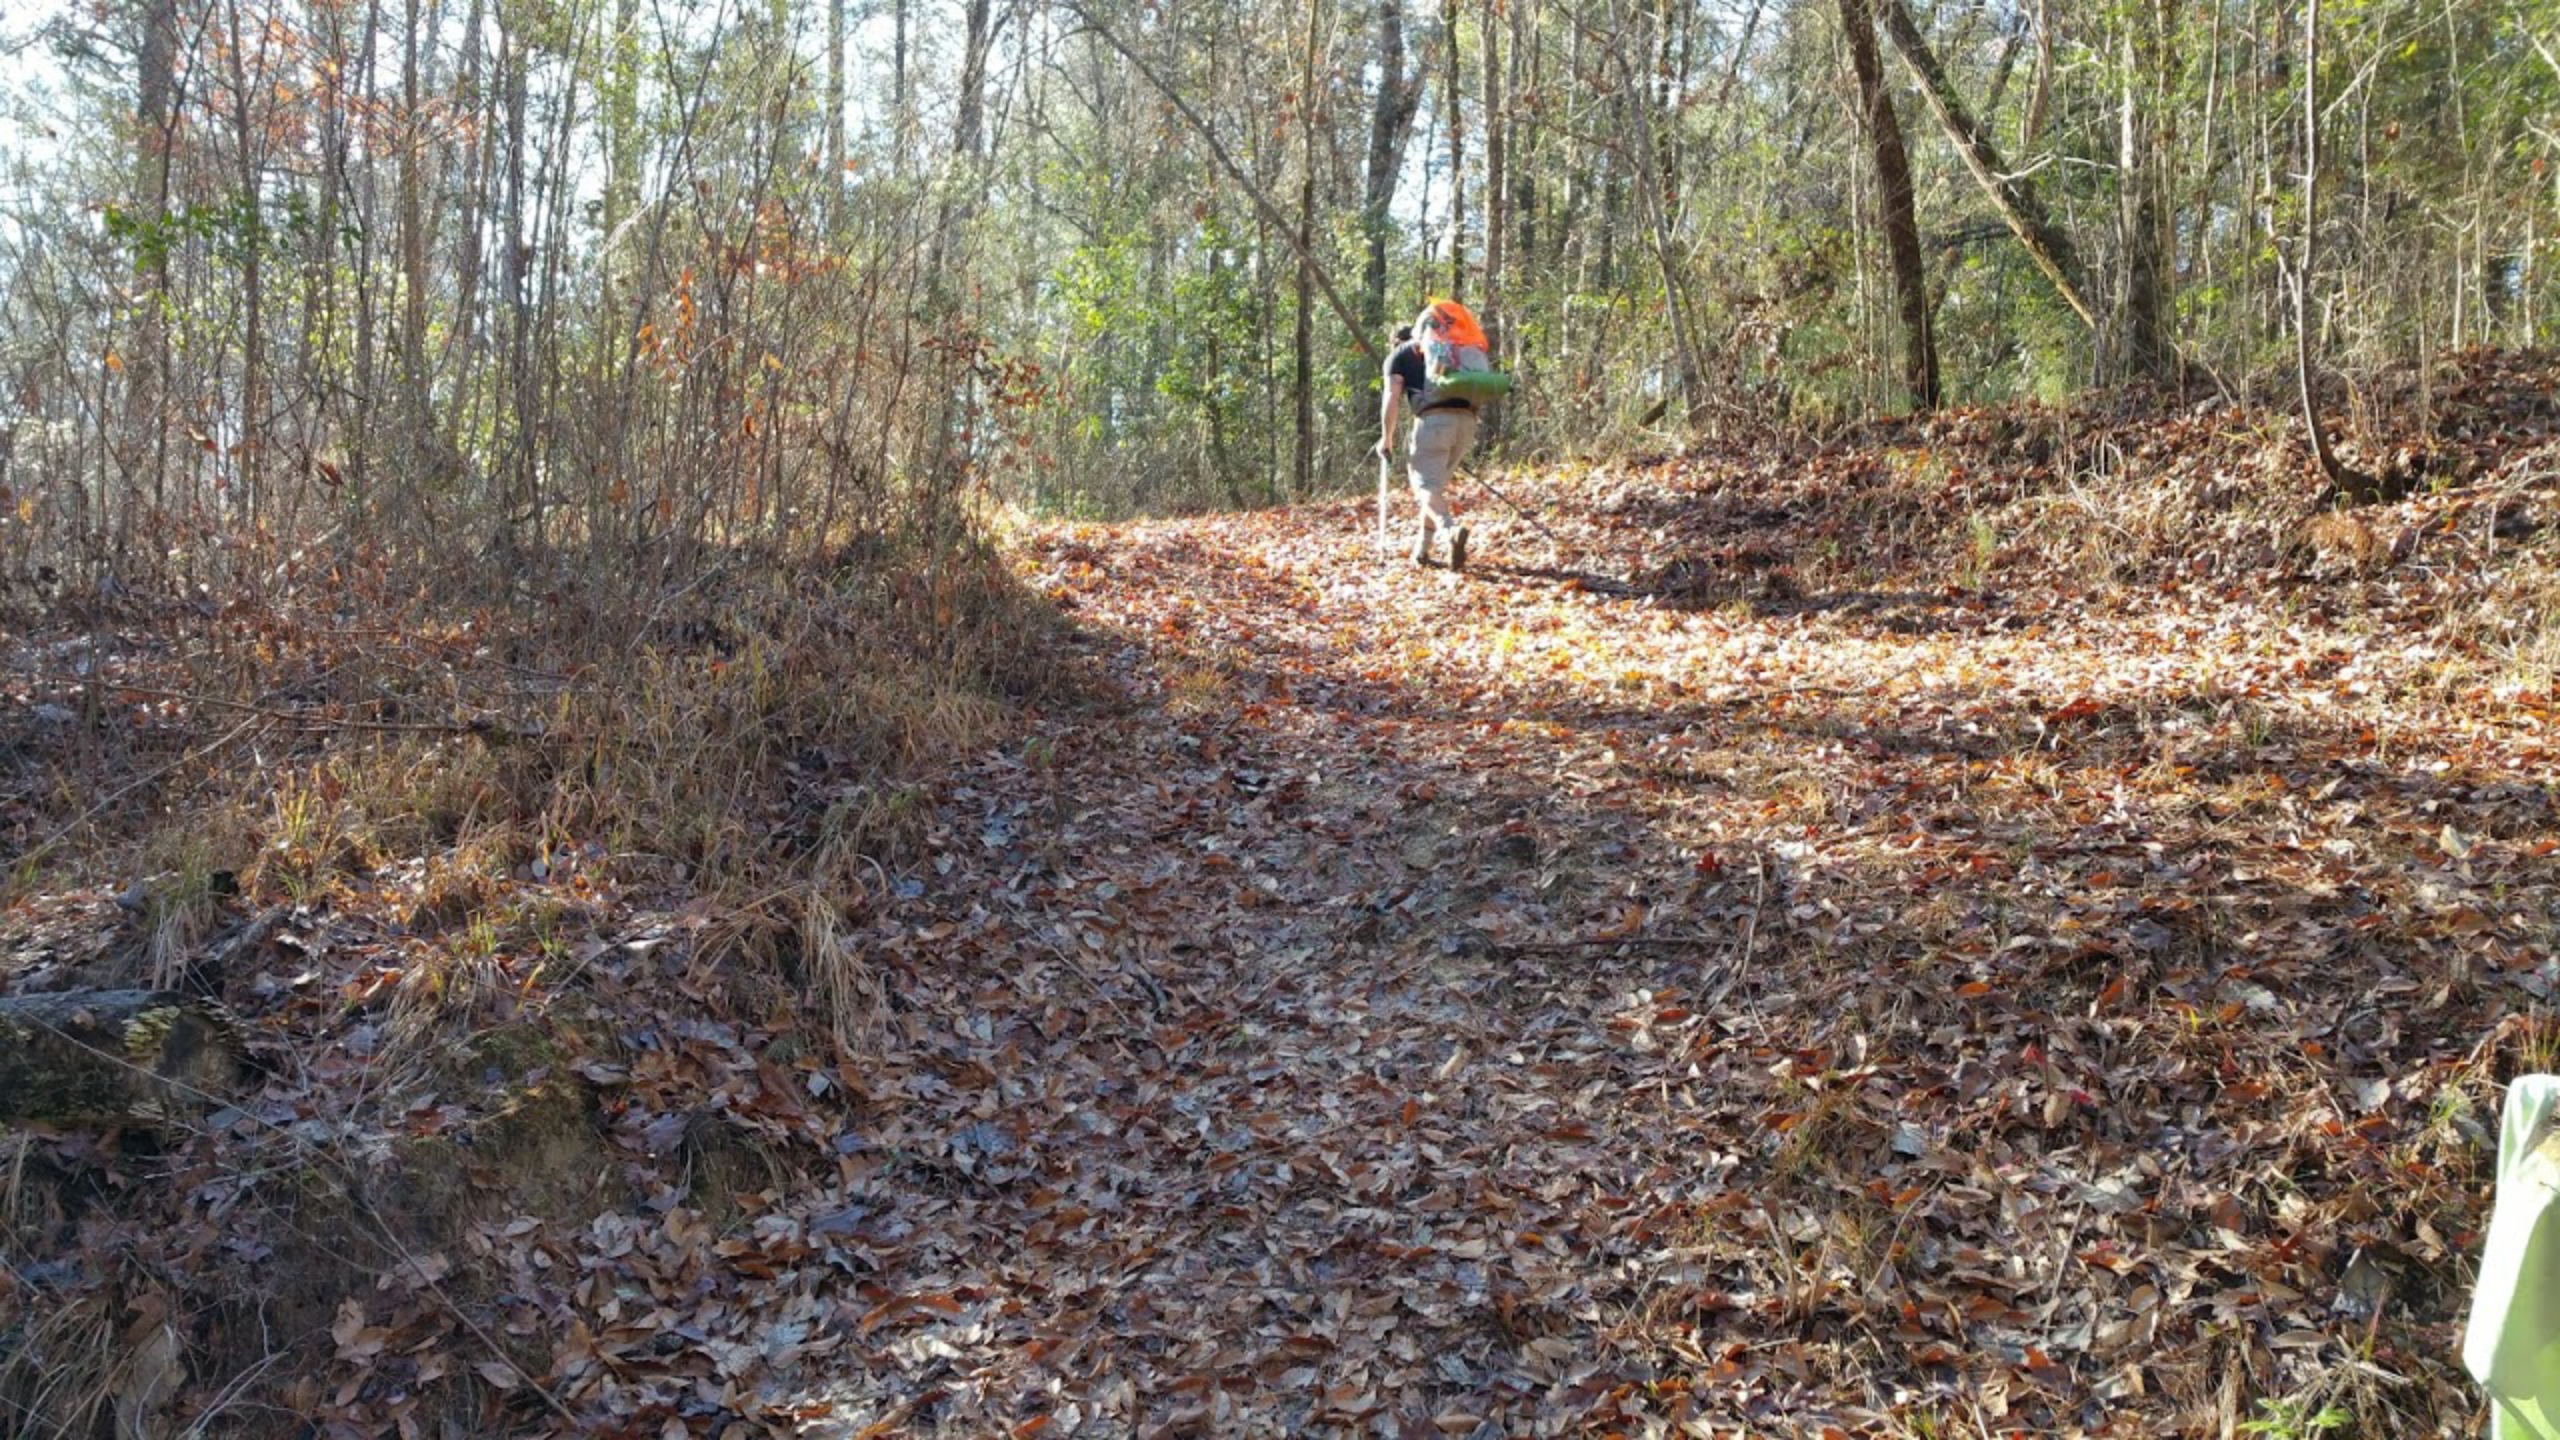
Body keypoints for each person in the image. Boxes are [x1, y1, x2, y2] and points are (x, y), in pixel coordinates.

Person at [1375, 309, 1478, 570]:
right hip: (1466, 421)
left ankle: (1448, 531)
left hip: (1434, 421)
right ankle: (1422, 550)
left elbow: (1392, 397)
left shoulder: (1399, 355)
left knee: (1424, 487)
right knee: (1434, 490)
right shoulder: (1450, 352)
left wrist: (1386, 439)